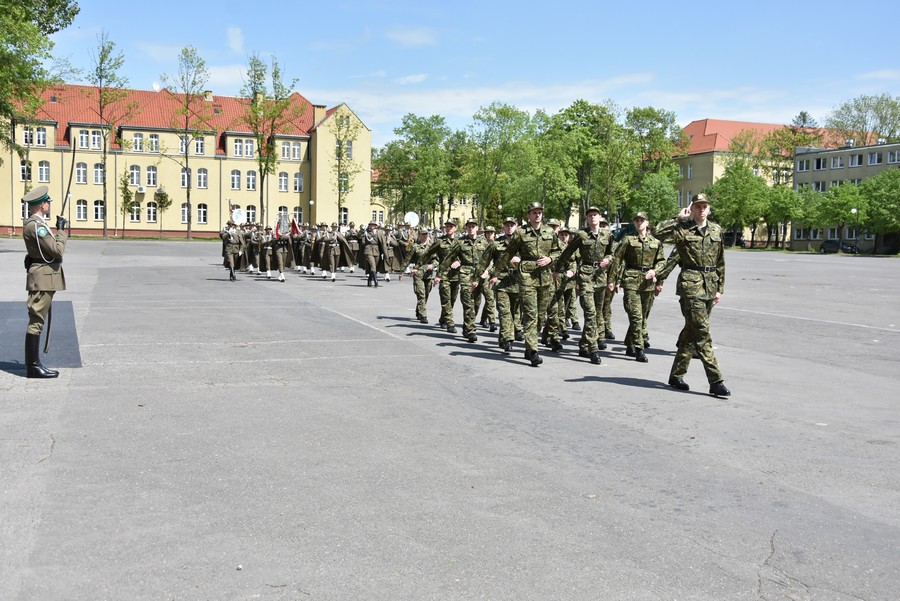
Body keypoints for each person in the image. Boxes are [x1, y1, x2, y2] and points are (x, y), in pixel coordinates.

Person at [655, 194, 731, 397]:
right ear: (692, 209)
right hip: (691, 286)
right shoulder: (683, 229)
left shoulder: (716, 230)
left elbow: (720, 260)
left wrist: (720, 288)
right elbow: (657, 234)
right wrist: (678, 218)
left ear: (709, 208)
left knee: (691, 332)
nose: (701, 209)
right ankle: (716, 381)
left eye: (705, 206)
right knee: (703, 333)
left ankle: (676, 375)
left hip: (710, 285)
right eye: (697, 206)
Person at [496, 202, 562, 366]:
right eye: (534, 212)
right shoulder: (521, 232)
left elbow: (558, 250)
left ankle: (528, 347)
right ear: (529, 215)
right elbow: (508, 253)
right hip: (527, 277)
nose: (537, 215)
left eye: (539, 212)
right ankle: (533, 350)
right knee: (531, 314)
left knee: (540, 315)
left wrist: (550, 259)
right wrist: (495, 274)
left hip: (545, 277)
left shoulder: (549, 232)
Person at [554, 206, 614, 365]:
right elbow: (567, 252)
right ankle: (593, 349)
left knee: (597, 313)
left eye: (595, 214)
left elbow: (612, 253)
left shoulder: (607, 234)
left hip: (600, 276)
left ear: (599, 217)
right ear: (586, 219)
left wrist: (608, 260)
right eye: (590, 215)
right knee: (590, 312)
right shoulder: (581, 235)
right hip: (585, 275)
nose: (592, 217)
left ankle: (583, 344)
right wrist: (558, 268)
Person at [607, 212, 665, 363]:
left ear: (647, 222)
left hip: (648, 283)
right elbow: (617, 260)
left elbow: (661, 262)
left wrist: (656, 275)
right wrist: (611, 280)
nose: (639, 222)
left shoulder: (655, 242)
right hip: (631, 280)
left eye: (642, 220)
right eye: (637, 220)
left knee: (642, 316)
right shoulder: (628, 240)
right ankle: (639, 349)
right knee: (636, 316)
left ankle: (629, 342)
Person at [22, 186, 66, 378]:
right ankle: (33, 366)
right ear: (42, 204)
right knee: (36, 321)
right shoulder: (36, 226)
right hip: (42, 278)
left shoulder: (36, 224)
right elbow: (57, 251)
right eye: (47, 201)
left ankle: (34, 365)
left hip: (43, 277)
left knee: (37, 320)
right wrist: (61, 231)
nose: (49, 204)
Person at [439, 217, 491, 343]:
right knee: (468, 303)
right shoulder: (460, 242)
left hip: (480, 275)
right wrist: (440, 273)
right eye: (469, 226)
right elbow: (449, 257)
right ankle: (471, 330)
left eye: (473, 226)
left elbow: (491, 259)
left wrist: (488, 271)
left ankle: (466, 325)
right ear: (466, 228)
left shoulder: (484, 242)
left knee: (476, 303)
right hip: (466, 274)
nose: (471, 228)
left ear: (477, 228)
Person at [479, 217, 522, 353]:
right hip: (501, 281)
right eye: (507, 225)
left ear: (516, 226)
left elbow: (531, 259)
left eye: (511, 225)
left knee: (514, 312)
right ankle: (508, 339)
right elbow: (485, 261)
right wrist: (483, 274)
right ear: (503, 227)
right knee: (504, 311)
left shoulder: (522, 243)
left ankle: (502, 337)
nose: (509, 227)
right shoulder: (496, 244)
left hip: (517, 281)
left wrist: (520, 260)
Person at [420, 218, 462, 333]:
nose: (448, 228)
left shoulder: (460, 241)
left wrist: (459, 262)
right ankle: (450, 323)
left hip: (456, 275)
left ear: (455, 228)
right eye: (447, 226)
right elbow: (428, 253)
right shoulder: (440, 241)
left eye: (451, 226)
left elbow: (466, 256)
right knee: (445, 299)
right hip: (443, 274)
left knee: (452, 300)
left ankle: (443, 319)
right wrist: (419, 265)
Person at [408, 228, 434, 323]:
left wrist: (433, 265)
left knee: (426, 293)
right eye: (422, 234)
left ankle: (419, 310)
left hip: (428, 274)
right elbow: (408, 259)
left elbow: (436, 259)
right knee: (421, 294)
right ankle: (423, 315)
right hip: (418, 273)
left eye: (426, 234)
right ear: (419, 235)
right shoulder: (415, 246)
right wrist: (402, 271)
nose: (424, 236)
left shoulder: (431, 247)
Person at [360, 221, 389, 287]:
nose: (372, 226)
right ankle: (376, 281)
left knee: (375, 266)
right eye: (371, 225)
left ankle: (369, 279)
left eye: (373, 225)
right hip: (368, 250)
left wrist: (385, 253)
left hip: (376, 250)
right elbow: (363, 242)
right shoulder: (366, 233)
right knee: (372, 265)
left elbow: (383, 243)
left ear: (376, 226)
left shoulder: (379, 233)